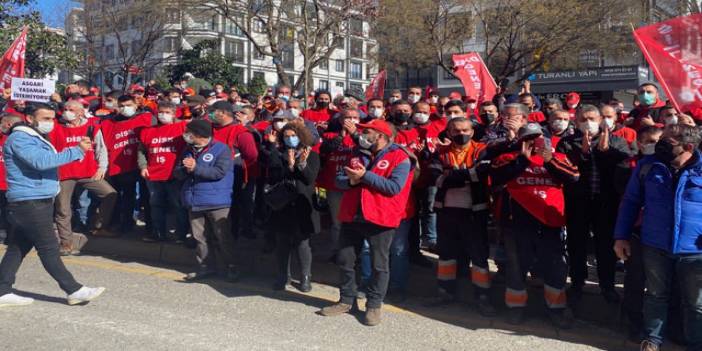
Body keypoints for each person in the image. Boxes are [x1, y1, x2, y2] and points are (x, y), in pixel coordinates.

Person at [0, 103, 105, 307]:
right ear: (30, 119)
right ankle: (74, 289)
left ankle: (2, 290)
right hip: (29, 202)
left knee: (17, 248)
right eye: (45, 118)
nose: (50, 123)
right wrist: (76, 151)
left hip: (34, 200)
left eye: (51, 118)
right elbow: (42, 161)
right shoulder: (21, 138)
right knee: (48, 247)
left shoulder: (32, 137)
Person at [614, 124, 702, 351]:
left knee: (695, 303)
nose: (661, 144)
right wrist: (621, 236)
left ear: (688, 146)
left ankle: (696, 344)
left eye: (668, 141)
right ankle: (652, 340)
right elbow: (631, 202)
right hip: (654, 244)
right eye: (661, 138)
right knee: (655, 296)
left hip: (694, 250)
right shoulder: (647, 166)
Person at [319, 119, 414, 326]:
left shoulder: (400, 157)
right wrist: (352, 181)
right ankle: (346, 300)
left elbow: (394, 187)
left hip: (380, 217)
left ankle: (373, 305)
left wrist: (364, 176)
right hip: (353, 214)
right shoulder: (356, 153)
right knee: (345, 260)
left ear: (380, 135)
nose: (361, 135)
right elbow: (339, 180)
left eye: (366, 132)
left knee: (379, 264)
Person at [491, 123, 579, 328]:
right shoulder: (507, 158)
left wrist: (549, 161)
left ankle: (556, 310)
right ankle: (515, 309)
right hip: (517, 222)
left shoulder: (559, 159)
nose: (533, 142)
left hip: (550, 222)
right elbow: (497, 175)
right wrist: (522, 159)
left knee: (555, 267)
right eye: (528, 139)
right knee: (516, 266)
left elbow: (573, 177)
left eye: (538, 138)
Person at [556, 104, 635, 304]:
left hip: (606, 203)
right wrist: (582, 154)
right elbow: (564, 169)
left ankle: (607, 286)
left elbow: (624, 166)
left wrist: (605, 152)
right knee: (576, 244)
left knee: (606, 246)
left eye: (592, 118)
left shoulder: (618, 141)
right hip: (578, 202)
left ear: (601, 120)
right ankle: (577, 283)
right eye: (583, 119)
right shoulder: (567, 142)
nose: (588, 123)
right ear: (576, 121)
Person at [428, 117, 495, 316]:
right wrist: (466, 176)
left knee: (479, 256)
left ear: (472, 132)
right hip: (447, 210)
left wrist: (450, 177)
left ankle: (483, 297)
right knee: (446, 255)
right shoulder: (440, 152)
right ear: (448, 133)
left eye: (465, 130)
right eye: (456, 131)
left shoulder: (482, 149)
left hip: (474, 212)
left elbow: (482, 173)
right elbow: (434, 177)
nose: (461, 134)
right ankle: (444, 292)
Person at [174, 120, 238, 282]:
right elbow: (178, 173)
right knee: (199, 237)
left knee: (222, 236)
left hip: (217, 202)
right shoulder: (188, 150)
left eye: (189, 132)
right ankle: (205, 267)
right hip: (194, 200)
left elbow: (219, 172)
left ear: (199, 135)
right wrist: (184, 169)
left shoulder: (221, 149)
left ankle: (231, 267)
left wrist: (196, 168)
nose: (186, 135)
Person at [50, 100, 117, 254]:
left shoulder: (91, 127)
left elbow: (101, 148)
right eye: (65, 109)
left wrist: (102, 167)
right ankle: (66, 243)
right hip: (64, 174)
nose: (67, 111)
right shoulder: (56, 127)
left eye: (71, 109)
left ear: (80, 112)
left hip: (88, 172)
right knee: (63, 209)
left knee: (110, 194)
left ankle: (99, 227)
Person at [262, 122, 320, 292]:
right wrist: (288, 166)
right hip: (282, 204)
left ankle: (305, 276)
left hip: (303, 202)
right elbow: (273, 177)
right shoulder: (277, 153)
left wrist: (300, 164)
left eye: (293, 135)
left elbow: (309, 178)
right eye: (286, 136)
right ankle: (283, 275)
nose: (290, 139)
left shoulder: (311, 155)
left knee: (303, 242)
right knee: (282, 242)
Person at [101, 95, 156, 233]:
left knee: (147, 197)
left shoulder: (147, 119)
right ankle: (124, 224)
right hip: (122, 166)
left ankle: (151, 228)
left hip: (144, 164)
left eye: (128, 105)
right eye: (121, 105)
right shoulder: (109, 123)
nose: (125, 108)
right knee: (125, 197)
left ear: (136, 105)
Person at [137, 101, 189, 242]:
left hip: (175, 175)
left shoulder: (183, 127)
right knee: (156, 205)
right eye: (160, 112)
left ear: (174, 114)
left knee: (178, 205)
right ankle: (158, 233)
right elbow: (141, 151)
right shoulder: (147, 131)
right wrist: (143, 167)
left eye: (167, 112)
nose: (163, 115)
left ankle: (182, 235)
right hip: (153, 175)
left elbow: (191, 147)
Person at [0, 113, 23, 244]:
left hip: (12, 183)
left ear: (8, 124)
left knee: (12, 213)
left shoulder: (21, 139)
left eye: (2, 122)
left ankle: (12, 236)